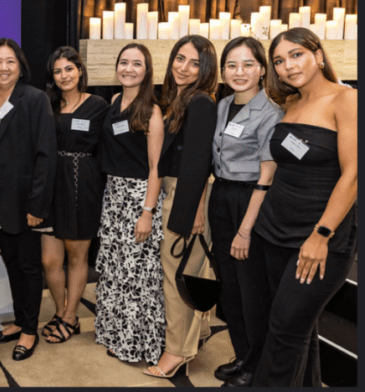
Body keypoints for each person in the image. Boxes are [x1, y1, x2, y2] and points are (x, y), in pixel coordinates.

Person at [240, 27, 357, 387]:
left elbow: (353, 174)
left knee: (284, 331)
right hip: (274, 230)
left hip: (320, 236)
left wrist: (321, 235)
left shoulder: (346, 100)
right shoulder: (291, 103)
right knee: (297, 329)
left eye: (296, 55)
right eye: (279, 60)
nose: (288, 66)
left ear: (318, 55)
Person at [207, 37, 283, 386]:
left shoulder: (270, 111)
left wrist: (245, 230)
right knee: (229, 286)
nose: (239, 72)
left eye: (248, 64)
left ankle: (256, 364)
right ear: (222, 71)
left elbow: (267, 175)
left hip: (250, 200)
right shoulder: (222, 105)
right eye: (231, 65)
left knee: (251, 289)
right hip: (221, 195)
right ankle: (241, 355)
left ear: (263, 69)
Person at [145, 34, 218, 378]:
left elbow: (198, 164)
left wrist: (193, 212)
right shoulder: (179, 99)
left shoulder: (201, 101)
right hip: (176, 194)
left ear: (206, 70)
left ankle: (176, 352)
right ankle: (194, 336)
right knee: (186, 272)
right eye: (179, 58)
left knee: (176, 278)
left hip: (183, 197)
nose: (183, 67)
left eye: (194, 63)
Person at [0, 38, 58, 361]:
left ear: (20, 65)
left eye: (10, 61)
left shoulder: (34, 98)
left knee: (27, 266)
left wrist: (37, 206)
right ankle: (19, 320)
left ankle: (29, 329)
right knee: (10, 262)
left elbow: (46, 155)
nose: (3, 67)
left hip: (24, 201)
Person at [94, 43, 166, 364]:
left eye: (137, 64)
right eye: (124, 62)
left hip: (139, 197)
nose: (129, 69)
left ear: (147, 71)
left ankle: (136, 343)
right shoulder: (113, 101)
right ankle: (114, 332)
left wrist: (147, 213)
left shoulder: (152, 110)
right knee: (115, 269)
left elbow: (156, 168)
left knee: (137, 273)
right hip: (114, 195)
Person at [40, 46, 109, 344]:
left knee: (77, 255)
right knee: (49, 260)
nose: (64, 75)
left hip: (83, 183)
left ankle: (71, 317)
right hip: (51, 184)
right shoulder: (47, 105)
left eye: (69, 68)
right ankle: (60, 310)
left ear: (80, 70)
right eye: (57, 71)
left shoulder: (98, 105)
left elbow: (109, 148)